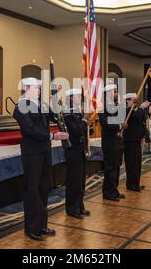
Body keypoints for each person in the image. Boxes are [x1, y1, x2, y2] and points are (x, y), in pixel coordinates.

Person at [13, 77, 69, 241]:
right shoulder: (20, 107)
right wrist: (53, 135)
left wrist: (54, 99)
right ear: (26, 88)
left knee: (44, 188)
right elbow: (30, 130)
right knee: (32, 190)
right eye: (36, 88)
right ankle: (31, 228)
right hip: (32, 153)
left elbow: (53, 116)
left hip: (45, 151)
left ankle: (42, 224)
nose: (39, 90)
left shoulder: (42, 105)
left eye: (39, 88)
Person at [63, 89, 91, 219]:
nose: (81, 98)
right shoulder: (68, 113)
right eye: (78, 96)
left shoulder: (77, 111)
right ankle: (72, 209)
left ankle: (79, 206)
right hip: (72, 150)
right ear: (71, 98)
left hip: (80, 149)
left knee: (80, 180)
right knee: (74, 180)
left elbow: (84, 131)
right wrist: (85, 120)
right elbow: (76, 131)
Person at [99, 84, 127, 201]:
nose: (117, 93)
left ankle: (114, 190)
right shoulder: (103, 108)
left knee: (116, 167)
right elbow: (105, 125)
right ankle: (108, 193)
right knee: (110, 168)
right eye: (115, 91)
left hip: (117, 141)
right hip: (109, 142)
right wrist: (120, 125)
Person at [123, 93, 150, 192]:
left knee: (137, 163)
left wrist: (141, 109)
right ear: (127, 101)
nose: (134, 102)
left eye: (135, 100)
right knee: (131, 163)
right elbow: (136, 116)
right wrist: (141, 109)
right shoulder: (126, 110)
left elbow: (142, 118)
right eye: (132, 100)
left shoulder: (136, 110)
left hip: (137, 139)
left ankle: (136, 182)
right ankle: (131, 184)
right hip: (129, 140)